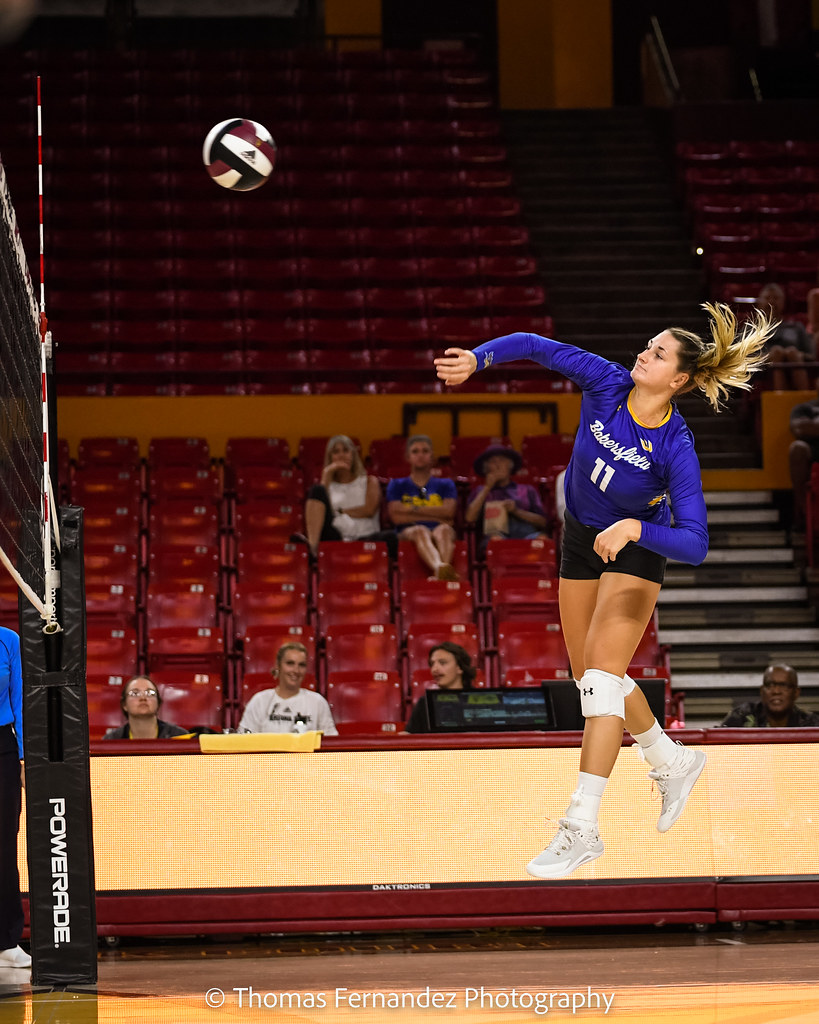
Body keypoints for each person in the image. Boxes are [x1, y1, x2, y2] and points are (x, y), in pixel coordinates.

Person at [435, 301, 772, 879]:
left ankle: (582, 825)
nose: (644, 354)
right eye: (649, 345)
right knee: (592, 677)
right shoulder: (608, 382)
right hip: (581, 538)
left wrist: (636, 527)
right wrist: (479, 359)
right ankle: (671, 760)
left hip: (634, 550)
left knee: (599, 683)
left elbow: (695, 543)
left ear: (679, 380)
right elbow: (535, 344)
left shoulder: (675, 446)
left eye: (658, 354)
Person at [296, 435, 397, 558]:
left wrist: (339, 511)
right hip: (336, 536)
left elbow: (369, 510)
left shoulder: (369, 481)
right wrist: (327, 473)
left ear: (353, 455)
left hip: (365, 537)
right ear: (330, 457)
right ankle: (313, 550)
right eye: (336, 452)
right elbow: (321, 512)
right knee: (316, 490)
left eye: (345, 450)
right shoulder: (328, 485)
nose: (341, 455)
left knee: (391, 537)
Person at [386, 435, 459, 580]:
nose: (420, 455)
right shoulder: (396, 485)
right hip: (408, 530)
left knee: (444, 530)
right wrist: (437, 515)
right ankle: (440, 569)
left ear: (432, 456)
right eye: (415, 451)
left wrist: (411, 509)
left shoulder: (446, 484)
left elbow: (449, 512)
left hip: (440, 528)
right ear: (408, 457)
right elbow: (396, 517)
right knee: (420, 530)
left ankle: (441, 572)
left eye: (425, 451)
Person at [0, 627, 30, 970]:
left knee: (4, 846)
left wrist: (24, 758)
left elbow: (20, 700)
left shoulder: (9, 640)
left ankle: (6, 941)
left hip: (2, 749)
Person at [238, 642, 337, 736]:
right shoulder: (259, 701)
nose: (296, 670)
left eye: (301, 665)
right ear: (278, 665)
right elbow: (243, 740)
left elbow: (330, 741)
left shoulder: (317, 702)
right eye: (290, 663)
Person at [465, 444, 548, 548]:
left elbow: (542, 522)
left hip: (527, 534)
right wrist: (487, 487)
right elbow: (470, 518)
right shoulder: (480, 491)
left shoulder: (527, 490)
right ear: (486, 468)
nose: (498, 465)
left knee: (542, 540)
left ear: (510, 466)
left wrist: (516, 511)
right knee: (496, 541)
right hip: (495, 535)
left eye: (502, 460)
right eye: (493, 462)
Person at [405, 642, 477, 734]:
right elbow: (410, 736)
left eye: (442, 663)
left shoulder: (477, 700)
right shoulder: (424, 704)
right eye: (432, 664)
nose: (434, 669)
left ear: (460, 668)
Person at [719, 664, 819, 728]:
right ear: (762, 691)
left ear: (796, 692)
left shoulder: (811, 723)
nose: (776, 691)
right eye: (770, 685)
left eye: (784, 685)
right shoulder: (741, 717)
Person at [756, 283, 814, 391]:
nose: (771, 302)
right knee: (777, 352)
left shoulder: (797, 327)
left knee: (792, 352)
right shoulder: (751, 329)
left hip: (795, 364)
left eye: (776, 298)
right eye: (767, 298)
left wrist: (794, 355)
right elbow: (744, 359)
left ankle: (804, 399)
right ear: (759, 302)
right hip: (762, 372)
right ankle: (779, 399)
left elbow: (812, 356)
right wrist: (771, 356)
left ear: (783, 302)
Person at [103, 676, 191, 740]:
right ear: (124, 704)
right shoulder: (111, 740)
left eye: (150, 693)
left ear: (158, 702)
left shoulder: (179, 737)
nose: (143, 698)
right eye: (135, 693)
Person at [788, 384, 819, 533]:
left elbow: (808, 428)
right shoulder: (804, 408)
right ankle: (804, 513)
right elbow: (799, 429)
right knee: (797, 448)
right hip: (814, 452)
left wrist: (813, 427)